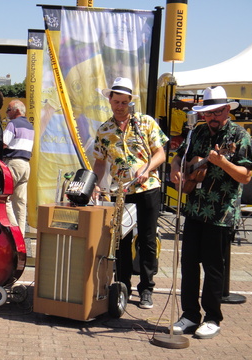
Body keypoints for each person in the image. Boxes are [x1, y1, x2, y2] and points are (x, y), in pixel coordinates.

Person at [169, 86, 252, 339]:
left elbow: (246, 176)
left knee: (214, 267)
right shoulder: (197, 132)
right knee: (189, 264)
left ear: (227, 110)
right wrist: (177, 170)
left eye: (217, 112)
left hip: (220, 214)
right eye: (208, 113)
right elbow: (178, 157)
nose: (213, 117)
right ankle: (189, 315)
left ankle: (213, 318)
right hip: (194, 208)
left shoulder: (240, 136)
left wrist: (223, 162)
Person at [93, 77, 168, 309]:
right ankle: (122, 286)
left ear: (130, 102)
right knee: (121, 241)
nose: (120, 107)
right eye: (116, 101)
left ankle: (146, 288)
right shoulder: (104, 130)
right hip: (121, 191)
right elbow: (99, 162)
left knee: (147, 238)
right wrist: (95, 183)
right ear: (110, 100)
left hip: (147, 188)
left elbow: (161, 153)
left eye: (124, 102)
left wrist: (147, 168)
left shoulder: (145, 122)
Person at [3, 100, 34, 237]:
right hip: (26, 164)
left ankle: (14, 231)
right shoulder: (30, 126)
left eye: (8, 110)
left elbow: (4, 143)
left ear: (16, 111)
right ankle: (20, 236)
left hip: (13, 162)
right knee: (21, 203)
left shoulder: (12, 124)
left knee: (4, 198)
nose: (7, 113)